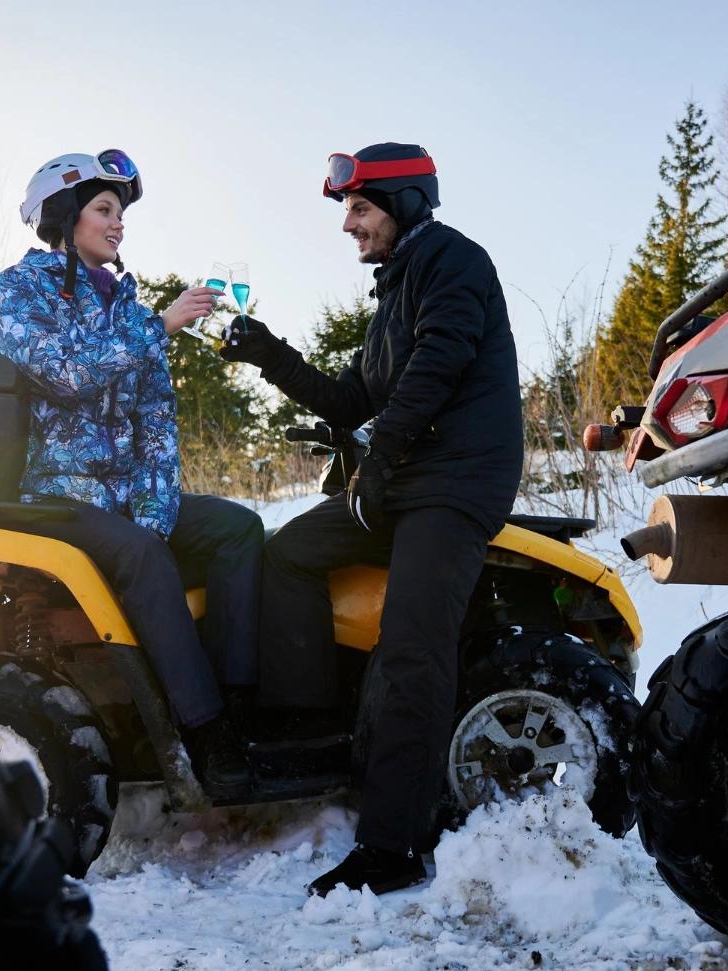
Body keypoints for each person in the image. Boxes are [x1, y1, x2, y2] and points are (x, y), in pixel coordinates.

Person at [219, 143, 523, 895]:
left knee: (412, 645)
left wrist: (382, 456)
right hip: (401, 480)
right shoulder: (391, 296)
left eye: (360, 208)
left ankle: (392, 846)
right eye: (347, 210)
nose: (348, 225)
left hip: (454, 484)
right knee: (288, 552)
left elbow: (441, 361)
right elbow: (351, 396)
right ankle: (307, 725)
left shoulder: (455, 260)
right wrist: (269, 354)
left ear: (407, 202)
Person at [0, 150, 260, 797]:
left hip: (125, 500)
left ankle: (241, 705)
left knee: (238, 529)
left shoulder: (128, 307)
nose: (118, 225)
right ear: (63, 215)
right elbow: (66, 373)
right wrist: (159, 325)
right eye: (104, 210)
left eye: (121, 214)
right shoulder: (19, 290)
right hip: (57, 496)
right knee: (139, 554)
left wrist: (157, 512)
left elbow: (156, 427)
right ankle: (207, 735)